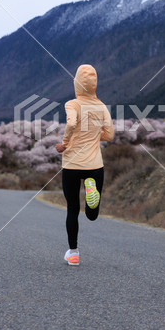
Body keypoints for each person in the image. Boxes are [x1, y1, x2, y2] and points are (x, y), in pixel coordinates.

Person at [56, 64, 114, 266]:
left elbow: (71, 124)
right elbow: (110, 134)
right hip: (94, 164)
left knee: (72, 209)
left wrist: (64, 144)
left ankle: (73, 254)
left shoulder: (72, 104)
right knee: (91, 214)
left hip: (72, 163)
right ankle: (92, 195)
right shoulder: (102, 106)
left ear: (77, 84)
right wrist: (95, 135)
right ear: (94, 84)